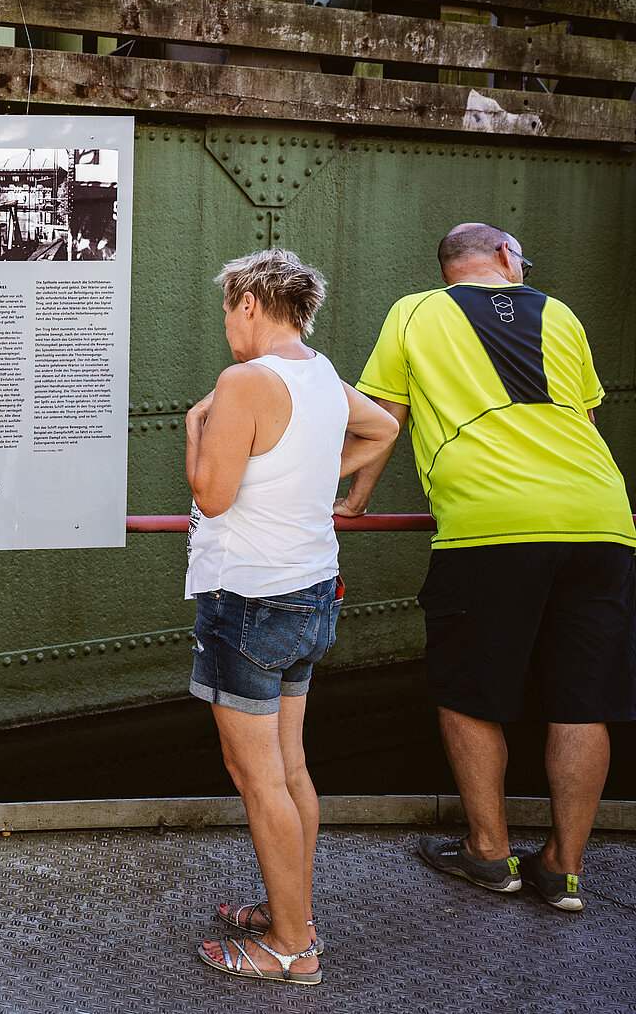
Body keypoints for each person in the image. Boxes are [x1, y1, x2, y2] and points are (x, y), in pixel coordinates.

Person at [337, 223, 635, 912]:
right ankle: (562, 869)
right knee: (583, 699)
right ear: (505, 257)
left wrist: (354, 502)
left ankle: (488, 853)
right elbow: (582, 420)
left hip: (492, 527)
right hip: (601, 520)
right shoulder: (561, 313)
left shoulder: (413, 312)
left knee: (469, 690)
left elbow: (386, 416)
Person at [185, 249, 400, 986]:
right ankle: (294, 915)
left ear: (249, 302)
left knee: (258, 778)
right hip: (311, 590)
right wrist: (312, 475)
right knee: (292, 766)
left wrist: (196, 427)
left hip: (247, 598)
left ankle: (288, 948)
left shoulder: (243, 382)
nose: (225, 325)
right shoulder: (320, 376)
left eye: (226, 309)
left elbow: (211, 496)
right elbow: (381, 433)